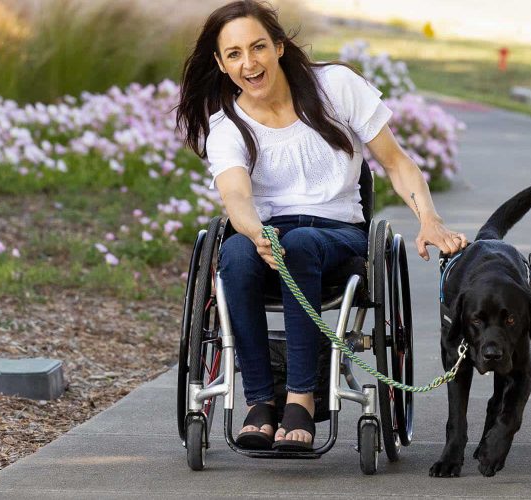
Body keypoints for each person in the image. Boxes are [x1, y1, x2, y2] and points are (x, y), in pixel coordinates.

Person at [176, 0, 467, 451]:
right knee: (231, 253)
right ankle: (258, 402)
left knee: (303, 241)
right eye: (234, 54)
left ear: (279, 46)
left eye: (257, 48)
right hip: (265, 233)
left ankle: (301, 399)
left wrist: (429, 218)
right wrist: (255, 233)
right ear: (220, 63)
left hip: (336, 234)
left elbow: (396, 161)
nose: (248, 63)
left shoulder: (335, 87)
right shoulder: (226, 126)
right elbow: (236, 196)